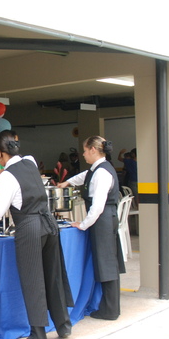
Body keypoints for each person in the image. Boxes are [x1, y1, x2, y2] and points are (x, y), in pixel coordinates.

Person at [0, 131, 74, 339]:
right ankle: (63, 324)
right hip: (48, 223)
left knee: (33, 280)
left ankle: (38, 336)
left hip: (29, 227)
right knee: (53, 275)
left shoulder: (7, 176)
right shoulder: (30, 161)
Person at [58, 136, 126, 321]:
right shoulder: (97, 169)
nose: (83, 154)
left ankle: (110, 309)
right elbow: (84, 177)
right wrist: (67, 183)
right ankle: (108, 306)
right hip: (103, 219)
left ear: (93, 150)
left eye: (85, 150)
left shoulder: (102, 172)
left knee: (107, 264)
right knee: (105, 262)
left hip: (103, 220)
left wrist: (83, 224)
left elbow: (97, 206)